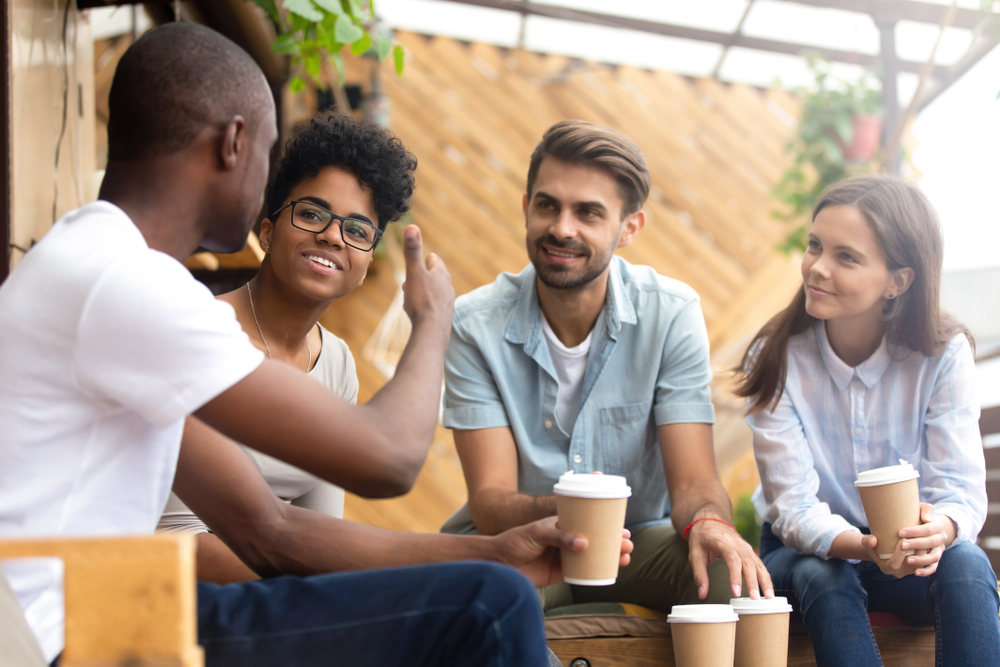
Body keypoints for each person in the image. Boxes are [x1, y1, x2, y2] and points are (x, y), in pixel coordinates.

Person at [0, 24, 631, 667]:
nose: (331, 236)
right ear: (234, 143)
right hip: (68, 636)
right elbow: (386, 460)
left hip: (95, 616)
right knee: (487, 606)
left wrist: (493, 550)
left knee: (486, 593)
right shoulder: (129, 285)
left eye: (357, 230)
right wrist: (434, 321)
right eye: (271, 156)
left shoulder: (107, 272)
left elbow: (271, 529)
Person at [441, 119, 772, 612]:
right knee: (488, 598)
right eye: (547, 205)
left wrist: (711, 523)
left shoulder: (671, 314)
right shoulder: (474, 324)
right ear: (526, 206)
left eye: (588, 213)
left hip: (636, 544)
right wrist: (583, 513)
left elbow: (693, 483)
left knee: (726, 570)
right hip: (518, 542)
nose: (561, 228)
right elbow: (491, 502)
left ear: (629, 228)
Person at [735, 174, 1000, 666]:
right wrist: (862, 547)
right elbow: (792, 508)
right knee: (824, 572)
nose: (817, 268)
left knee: (966, 563)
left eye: (846, 257)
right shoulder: (776, 357)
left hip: (908, 555)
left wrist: (938, 530)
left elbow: (959, 493)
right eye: (815, 246)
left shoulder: (942, 357)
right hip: (803, 555)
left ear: (898, 280)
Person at [157, 111, 409, 584]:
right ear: (269, 232)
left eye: (357, 230)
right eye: (313, 213)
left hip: (271, 600)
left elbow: (322, 531)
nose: (333, 236)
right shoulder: (204, 332)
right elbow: (177, 539)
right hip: (172, 594)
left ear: (366, 260)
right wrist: (308, 596)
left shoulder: (336, 364)